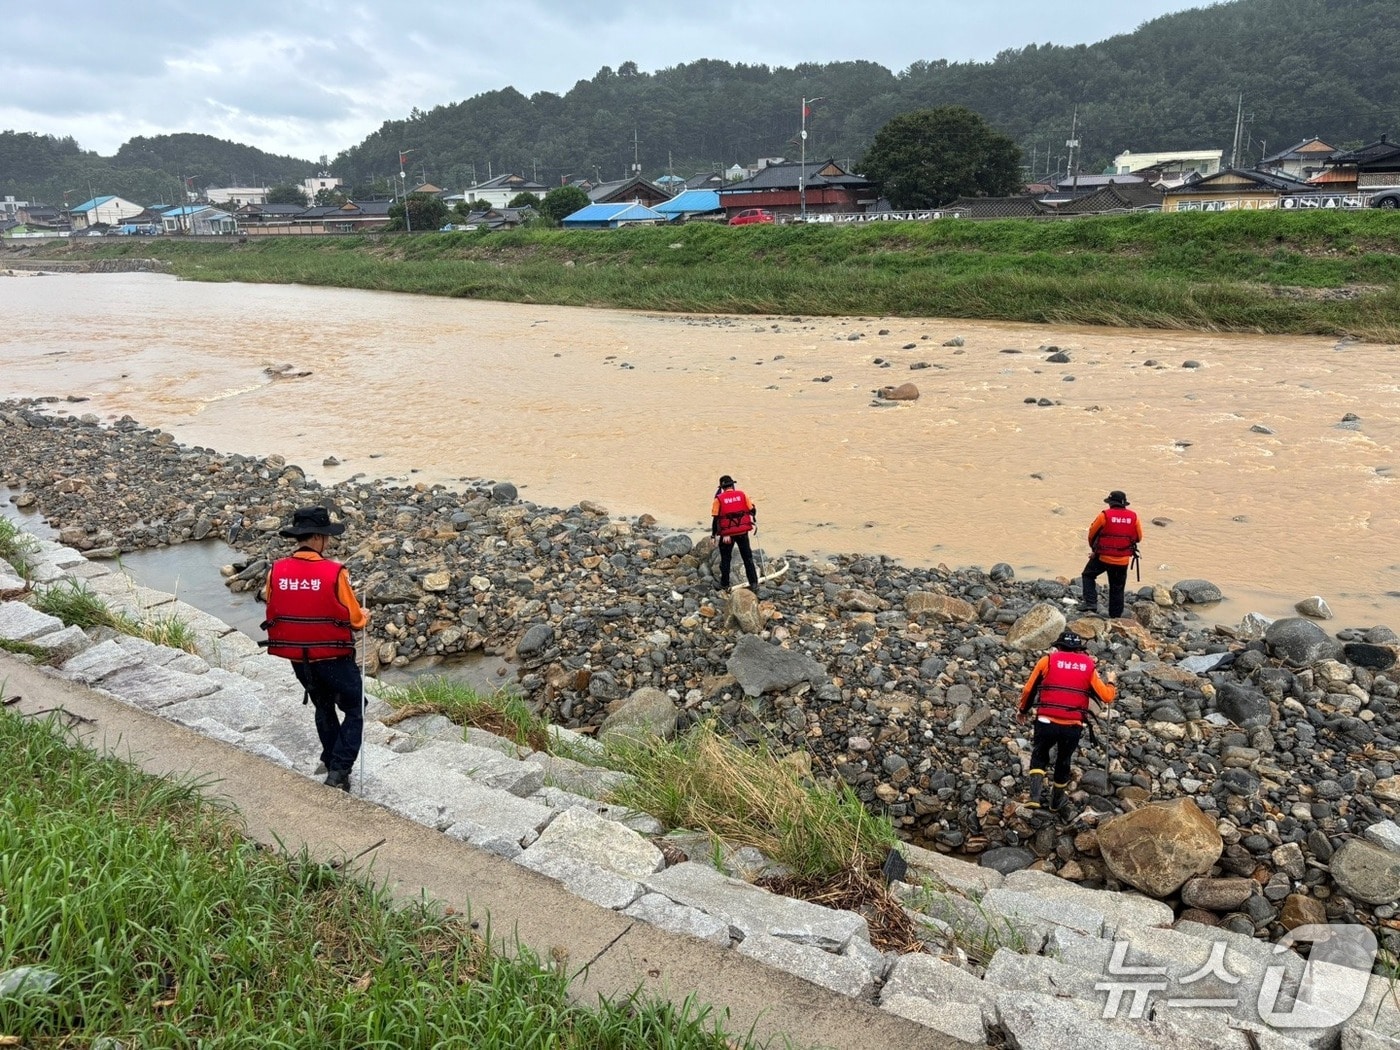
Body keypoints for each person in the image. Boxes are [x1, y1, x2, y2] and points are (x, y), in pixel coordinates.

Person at [261, 506, 368, 792]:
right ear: (320, 538)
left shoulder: (276, 570)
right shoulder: (335, 572)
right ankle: (339, 770)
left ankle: (331, 759)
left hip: (298, 656)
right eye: (327, 537)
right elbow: (355, 620)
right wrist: (365, 615)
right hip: (334, 655)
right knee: (357, 708)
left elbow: (272, 601)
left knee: (323, 705)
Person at [1016, 630, 1117, 813]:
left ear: (1058, 646)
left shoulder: (1047, 660)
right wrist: (1111, 682)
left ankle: (1035, 798)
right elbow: (1106, 697)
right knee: (1064, 759)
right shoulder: (1088, 665)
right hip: (1072, 724)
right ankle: (1056, 803)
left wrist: (1023, 710)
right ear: (1079, 649)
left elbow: (1029, 690)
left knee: (1040, 754)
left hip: (1046, 720)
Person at [1081, 489, 1142, 619]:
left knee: (1087, 575)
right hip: (1122, 560)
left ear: (1110, 503)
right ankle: (1115, 617)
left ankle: (1091, 603)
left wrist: (1094, 550)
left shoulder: (1104, 515)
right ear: (1124, 504)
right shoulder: (1134, 517)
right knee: (1117, 587)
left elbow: (1092, 533)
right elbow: (1139, 537)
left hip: (1103, 557)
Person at [710, 474, 759, 594]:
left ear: (722, 487)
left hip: (727, 535)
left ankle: (724, 584)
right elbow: (752, 511)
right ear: (732, 485)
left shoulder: (718, 499)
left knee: (726, 559)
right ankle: (754, 584)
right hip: (742, 532)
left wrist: (713, 535)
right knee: (747, 558)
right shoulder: (743, 495)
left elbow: (716, 519)